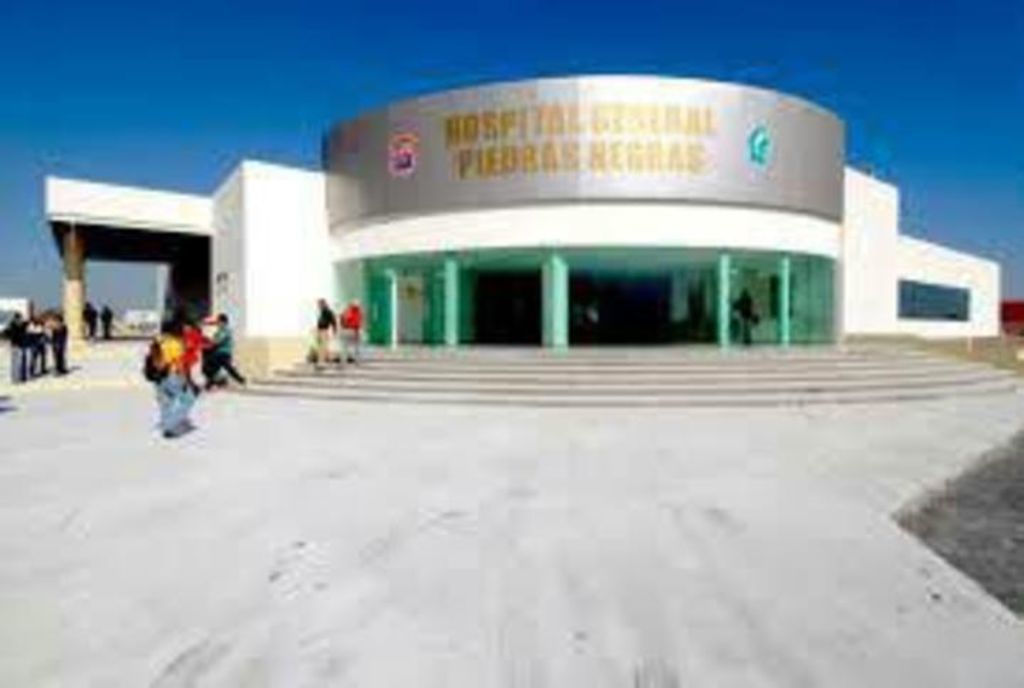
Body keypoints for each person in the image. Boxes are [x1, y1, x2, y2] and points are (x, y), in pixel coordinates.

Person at [147, 319, 197, 439]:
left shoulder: (157, 341)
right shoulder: (175, 344)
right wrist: (185, 379)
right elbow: (179, 363)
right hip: (172, 375)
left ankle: (166, 426)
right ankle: (171, 425)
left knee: (166, 402)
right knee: (189, 399)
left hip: (158, 378)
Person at [203, 314, 246, 389]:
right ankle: (213, 382)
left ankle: (214, 382)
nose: (217, 324)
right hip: (219, 353)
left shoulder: (226, 330)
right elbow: (214, 340)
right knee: (219, 368)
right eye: (217, 322)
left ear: (223, 322)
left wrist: (209, 344)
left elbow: (217, 341)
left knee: (212, 366)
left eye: (219, 322)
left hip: (223, 353)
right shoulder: (220, 330)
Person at [2, 313, 28, 384]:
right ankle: (15, 378)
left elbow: (25, 326)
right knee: (15, 362)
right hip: (15, 345)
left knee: (20, 361)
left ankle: (19, 377)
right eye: (18, 319)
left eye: (20, 319)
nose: (20, 320)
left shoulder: (21, 325)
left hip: (20, 345)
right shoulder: (13, 326)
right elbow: (9, 333)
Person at [339, 299, 364, 364]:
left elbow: (342, 319)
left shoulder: (346, 311)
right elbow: (358, 322)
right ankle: (357, 360)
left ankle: (343, 361)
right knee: (357, 346)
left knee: (345, 346)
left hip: (347, 330)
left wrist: (342, 328)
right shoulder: (358, 312)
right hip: (353, 330)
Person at [315, 299, 336, 367]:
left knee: (323, 346)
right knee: (321, 346)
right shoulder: (322, 312)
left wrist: (334, 331)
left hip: (325, 330)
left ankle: (322, 361)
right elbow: (319, 322)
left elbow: (333, 322)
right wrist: (317, 330)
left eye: (319, 304)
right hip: (320, 330)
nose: (318, 306)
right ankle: (328, 360)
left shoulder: (328, 312)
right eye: (318, 305)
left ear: (323, 304)